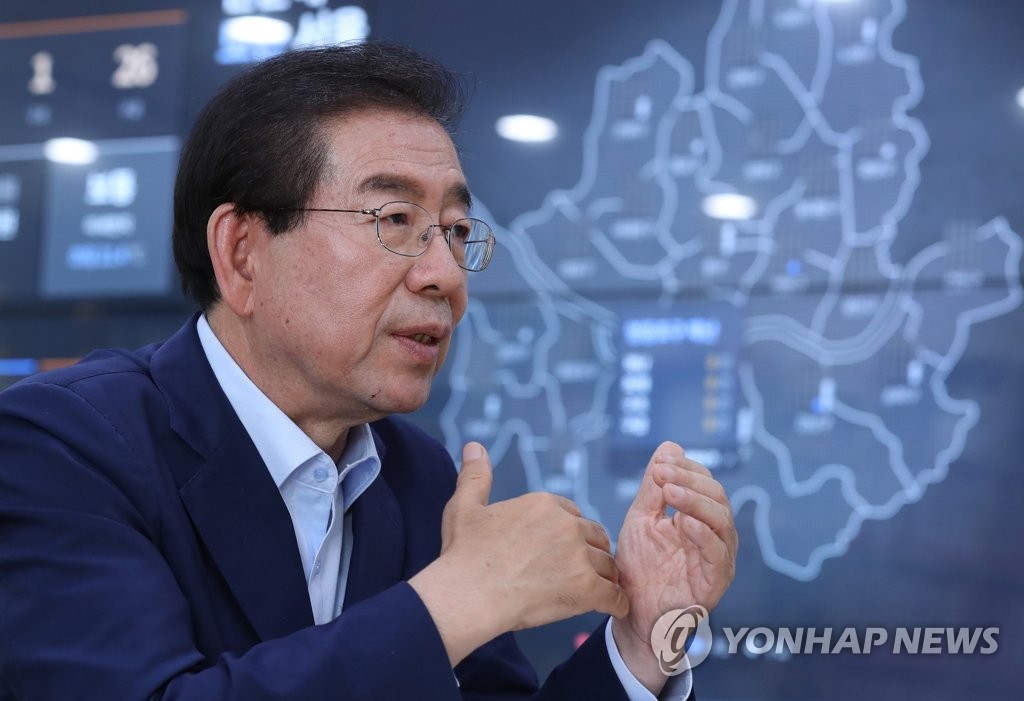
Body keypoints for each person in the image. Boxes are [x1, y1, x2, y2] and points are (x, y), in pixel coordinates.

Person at [0, 42, 737, 700]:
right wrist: (460, 597)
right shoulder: (61, 445)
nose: (446, 275)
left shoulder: (418, 476)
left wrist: (642, 643)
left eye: (456, 231)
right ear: (242, 254)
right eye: (394, 220)